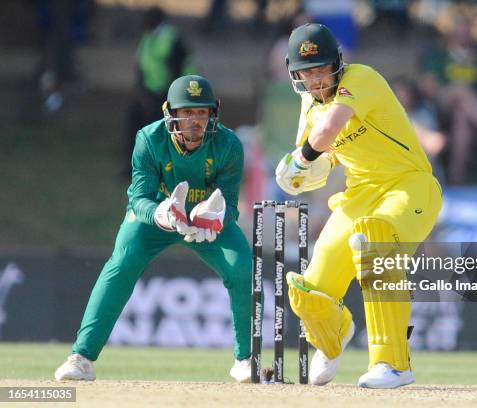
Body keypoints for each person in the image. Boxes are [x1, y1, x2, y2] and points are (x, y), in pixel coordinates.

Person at [55, 75, 253, 383]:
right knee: (121, 263)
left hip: (202, 222)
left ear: (213, 114)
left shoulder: (229, 145)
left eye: (201, 113)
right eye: (187, 112)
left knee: (242, 268)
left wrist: (216, 219)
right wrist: (162, 214)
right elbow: (138, 197)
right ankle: (81, 357)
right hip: (157, 217)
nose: (195, 122)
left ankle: (246, 359)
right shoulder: (149, 138)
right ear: (170, 113)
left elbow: (229, 202)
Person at [275, 23, 442, 388]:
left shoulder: (361, 78)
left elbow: (326, 133)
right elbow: (320, 165)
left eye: (322, 69)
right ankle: (334, 337)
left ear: (337, 63)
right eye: (308, 72)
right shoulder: (309, 110)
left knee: (374, 240)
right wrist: (299, 175)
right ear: (295, 73)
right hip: (359, 195)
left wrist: (298, 160)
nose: (317, 80)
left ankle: (393, 364)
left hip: (409, 186)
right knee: (308, 292)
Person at [421, 16, 477, 185]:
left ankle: (456, 174)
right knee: (459, 89)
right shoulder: (439, 56)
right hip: (443, 103)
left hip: (471, 107)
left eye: (466, 32)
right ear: (451, 34)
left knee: (462, 115)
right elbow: (428, 86)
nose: (463, 36)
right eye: (459, 32)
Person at [124, 7, 195, 177]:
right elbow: (140, 67)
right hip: (149, 93)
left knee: (162, 130)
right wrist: (141, 94)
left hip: (173, 93)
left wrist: (167, 100)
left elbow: (178, 72)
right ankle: (132, 167)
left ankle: (162, 170)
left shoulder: (173, 39)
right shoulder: (147, 39)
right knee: (133, 119)